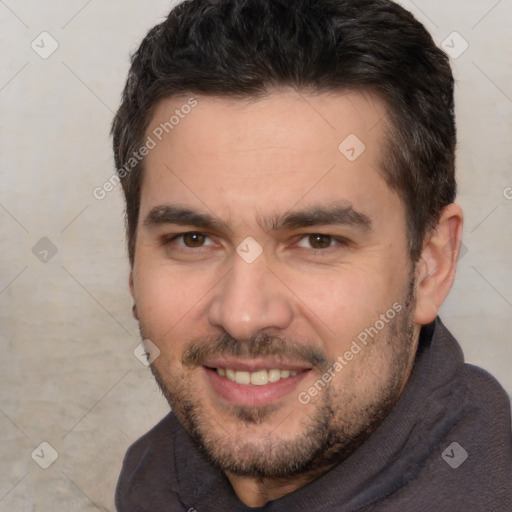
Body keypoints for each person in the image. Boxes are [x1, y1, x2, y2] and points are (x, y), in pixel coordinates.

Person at [111, 0, 512, 510]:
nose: (242, 316)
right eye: (193, 239)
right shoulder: (155, 471)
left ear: (430, 266)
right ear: (133, 263)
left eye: (317, 241)